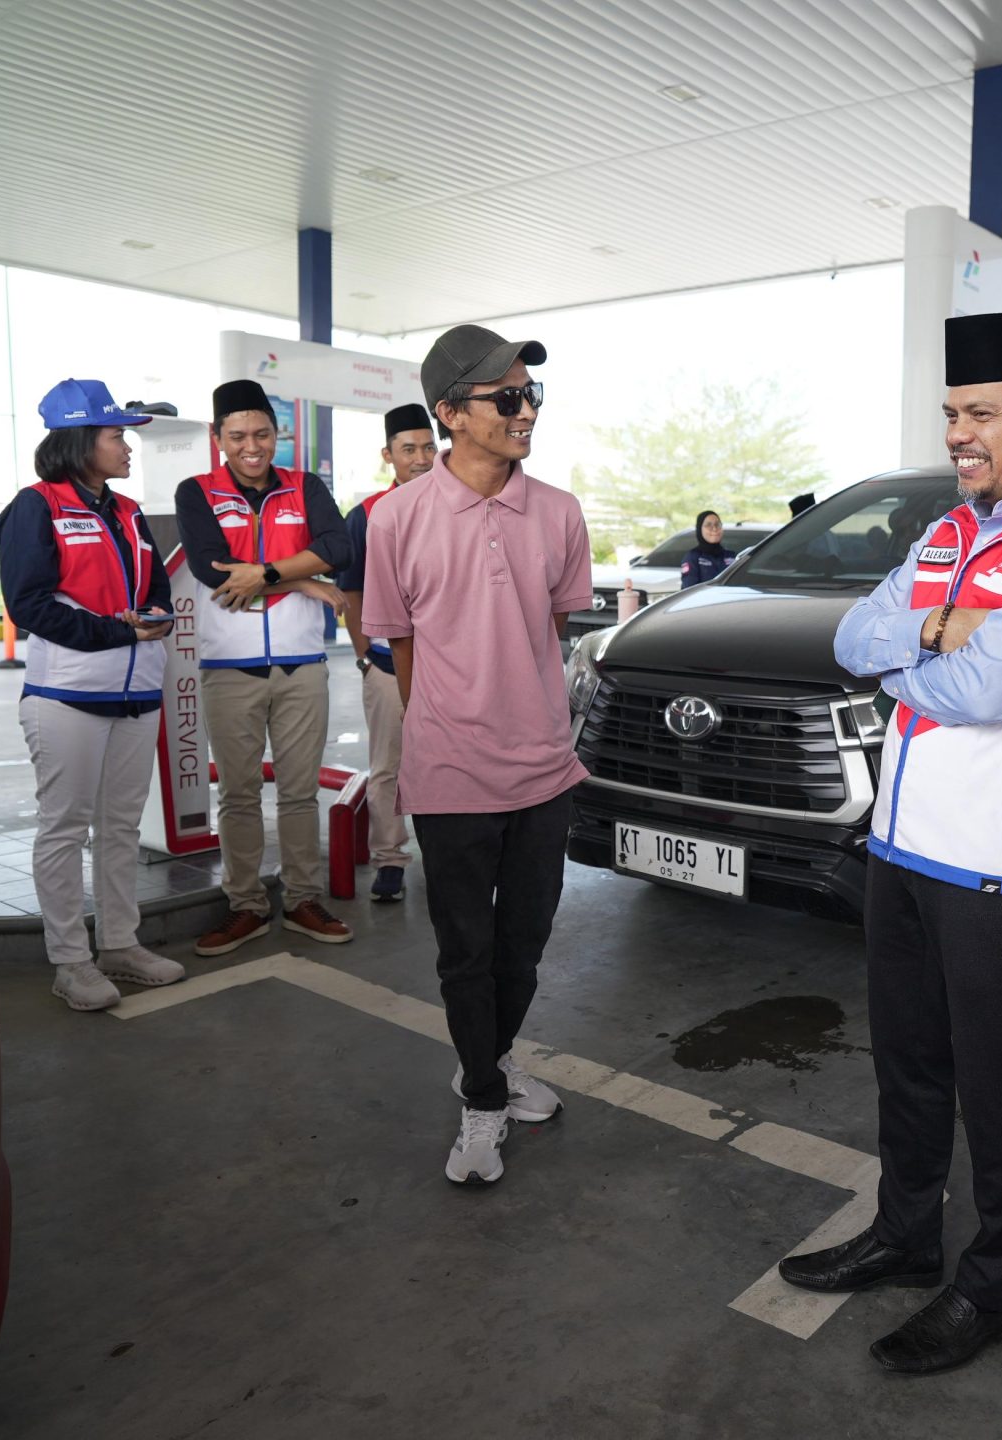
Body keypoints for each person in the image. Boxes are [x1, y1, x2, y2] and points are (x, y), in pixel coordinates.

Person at [786, 311, 1002, 1376]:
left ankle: (993, 1288)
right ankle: (905, 1236)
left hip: (994, 858)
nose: (958, 433)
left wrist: (919, 656)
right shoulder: (948, 531)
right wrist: (945, 631)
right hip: (900, 846)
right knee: (907, 1065)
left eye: (981, 412)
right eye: (951, 412)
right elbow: (853, 638)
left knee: (998, 1088)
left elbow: (987, 693)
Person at [360, 325, 591, 1187]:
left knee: (523, 945)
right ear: (451, 413)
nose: (525, 410)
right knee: (464, 951)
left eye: (530, 394)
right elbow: (401, 641)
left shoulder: (560, 512)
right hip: (450, 771)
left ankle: (484, 1064)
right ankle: (484, 1100)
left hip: (544, 768)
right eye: (506, 396)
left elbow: (547, 628)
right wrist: (446, 725)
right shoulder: (395, 518)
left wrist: (516, 706)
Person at [0, 379, 187, 1012]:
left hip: (137, 694)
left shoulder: (127, 511)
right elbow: (29, 605)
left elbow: (156, 589)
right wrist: (117, 631)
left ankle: (120, 945)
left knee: (120, 828)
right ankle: (70, 961)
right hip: (67, 695)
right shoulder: (36, 506)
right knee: (64, 829)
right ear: (79, 440)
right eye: (115, 435)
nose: (127, 447)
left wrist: (153, 619)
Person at [175, 380, 355, 957]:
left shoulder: (305, 486)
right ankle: (247, 905)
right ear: (217, 437)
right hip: (229, 666)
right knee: (239, 794)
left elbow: (339, 547)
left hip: (302, 664)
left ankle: (302, 899)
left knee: (300, 793)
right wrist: (302, 580)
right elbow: (211, 568)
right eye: (237, 436)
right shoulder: (196, 491)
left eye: (261, 434)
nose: (251, 447)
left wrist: (271, 573)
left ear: (278, 434)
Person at [337, 401, 438, 903]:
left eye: (428, 447)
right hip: (384, 664)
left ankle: (448, 856)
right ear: (388, 455)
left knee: (452, 765)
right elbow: (351, 591)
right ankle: (390, 859)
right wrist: (363, 657)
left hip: (450, 667)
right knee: (387, 767)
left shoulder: (460, 503)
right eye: (408, 449)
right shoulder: (366, 515)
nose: (420, 458)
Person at [677, 510, 733, 588]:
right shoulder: (693, 557)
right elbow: (689, 589)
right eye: (708, 525)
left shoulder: (731, 556)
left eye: (717, 524)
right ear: (700, 529)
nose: (714, 528)